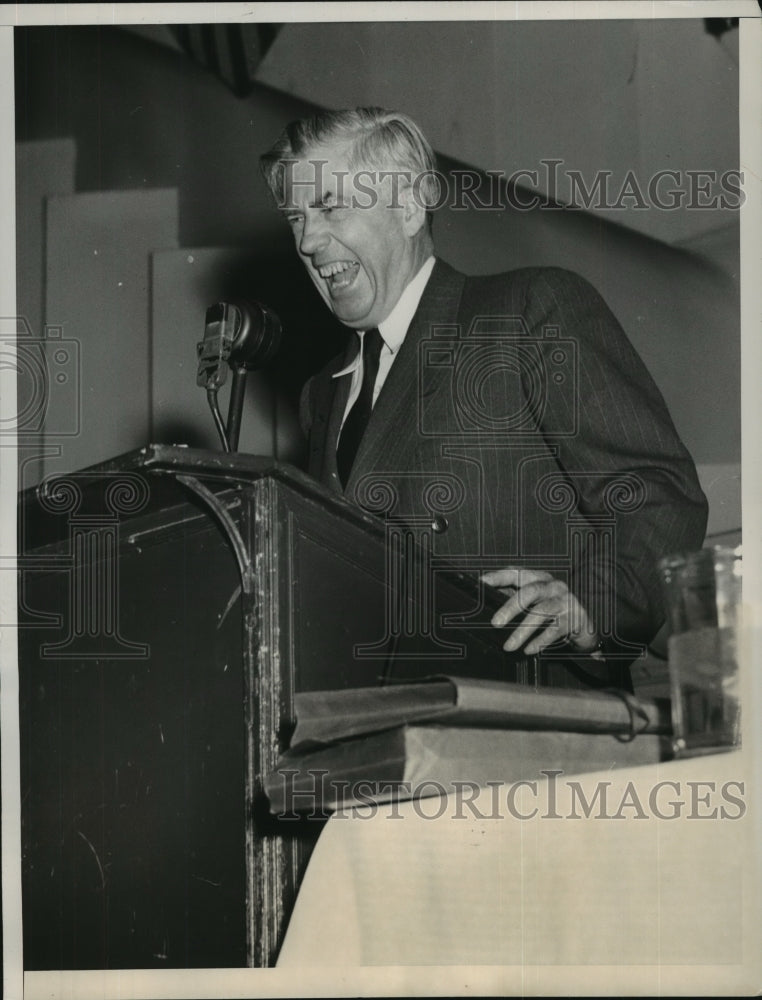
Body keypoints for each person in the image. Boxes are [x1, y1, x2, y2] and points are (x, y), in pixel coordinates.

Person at [260, 107, 708, 681]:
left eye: (329, 206)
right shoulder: (322, 393)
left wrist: (592, 608)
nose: (308, 241)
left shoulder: (527, 312)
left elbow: (658, 493)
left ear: (409, 206)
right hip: (382, 738)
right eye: (295, 217)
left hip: (527, 731)